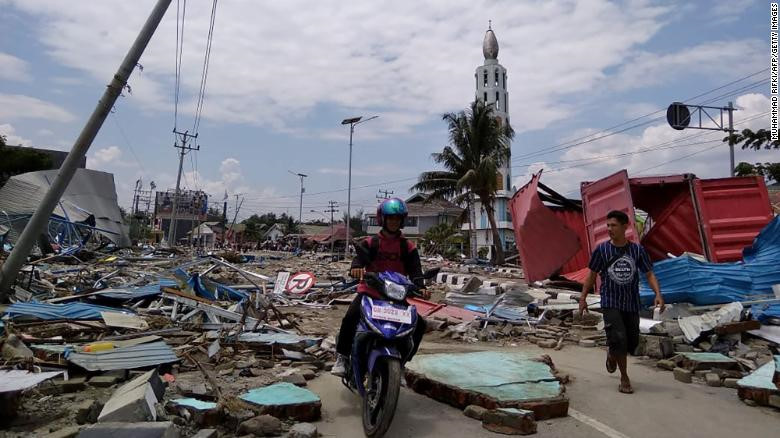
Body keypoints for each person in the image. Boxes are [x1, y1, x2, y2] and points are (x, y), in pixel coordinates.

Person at [331, 198, 429, 377]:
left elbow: (416, 271)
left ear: (402, 220)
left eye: (397, 218)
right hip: (371, 292)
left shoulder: (408, 247)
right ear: (382, 219)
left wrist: (421, 286)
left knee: (420, 324)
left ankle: (402, 363)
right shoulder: (371, 242)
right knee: (351, 317)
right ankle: (342, 357)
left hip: (397, 296)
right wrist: (355, 269)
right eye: (390, 218)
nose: (393, 221)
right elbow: (358, 260)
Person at [579, 210, 664, 394]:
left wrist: (658, 294)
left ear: (625, 226)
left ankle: (612, 353)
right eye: (608, 225)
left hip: (631, 302)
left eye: (614, 225)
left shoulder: (637, 251)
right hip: (610, 301)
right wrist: (583, 298)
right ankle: (624, 377)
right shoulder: (602, 250)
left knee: (632, 342)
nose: (609, 229)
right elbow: (591, 275)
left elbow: (649, 273)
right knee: (619, 338)